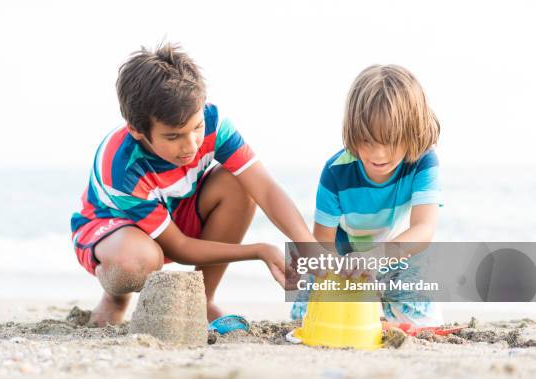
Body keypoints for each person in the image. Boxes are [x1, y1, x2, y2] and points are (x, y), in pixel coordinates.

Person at [70, 43, 314, 327]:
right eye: (173, 137)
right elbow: (181, 247)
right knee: (136, 264)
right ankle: (115, 295)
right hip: (114, 227)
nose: (191, 146)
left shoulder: (214, 122)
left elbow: (266, 190)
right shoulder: (120, 169)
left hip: (174, 208)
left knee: (237, 182)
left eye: (196, 128)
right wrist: (259, 250)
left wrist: (310, 248)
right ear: (136, 130)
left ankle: (202, 300)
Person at [292, 65, 444, 326]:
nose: (378, 155)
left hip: (395, 252)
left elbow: (423, 229)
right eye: (367, 141)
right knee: (307, 320)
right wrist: (348, 277)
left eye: (390, 141)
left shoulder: (423, 161)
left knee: (424, 324)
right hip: (343, 257)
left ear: (411, 131)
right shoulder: (335, 172)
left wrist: (374, 259)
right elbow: (323, 245)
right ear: (352, 131)